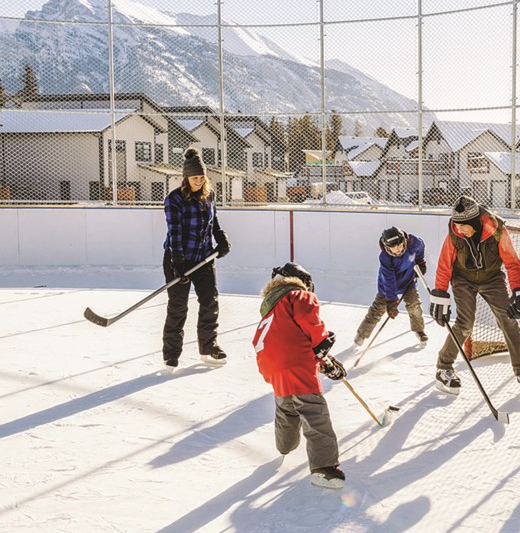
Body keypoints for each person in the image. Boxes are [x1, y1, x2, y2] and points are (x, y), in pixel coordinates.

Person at [252, 262, 348, 489]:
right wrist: (322, 341)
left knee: (287, 405)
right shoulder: (298, 294)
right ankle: (324, 469)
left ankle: (284, 445)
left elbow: (291, 336)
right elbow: (310, 323)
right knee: (314, 412)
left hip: (271, 364)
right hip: (294, 361)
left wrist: (324, 360)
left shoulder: (271, 308)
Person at [429, 195, 520, 396]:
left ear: (474, 222)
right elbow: (445, 265)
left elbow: (512, 262)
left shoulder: (496, 230)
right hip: (463, 279)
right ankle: (444, 367)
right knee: (465, 323)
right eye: (457, 226)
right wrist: (440, 293)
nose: (459, 229)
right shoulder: (454, 233)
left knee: (509, 321)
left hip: (492, 279)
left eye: (463, 226)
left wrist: (518, 290)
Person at [161, 147, 231, 371]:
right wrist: (178, 262)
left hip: (203, 258)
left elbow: (214, 222)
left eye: (201, 177)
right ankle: (171, 355)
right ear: (186, 177)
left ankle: (209, 347)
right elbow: (175, 231)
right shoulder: (174, 199)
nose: (198, 181)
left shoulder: (209, 194)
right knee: (178, 307)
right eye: (194, 178)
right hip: (177, 258)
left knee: (210, 302)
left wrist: (221, 239)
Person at [354, 226, 429, 347]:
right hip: (388, 285)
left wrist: (421, 262)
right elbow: (389, 279)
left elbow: (421, 248)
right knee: (377, 310)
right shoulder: (385, 257)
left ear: (404, 241)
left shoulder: (414, 242)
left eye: (399, 245)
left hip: (408, 280)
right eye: (393, 247)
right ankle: (362, 334)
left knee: (414, 305)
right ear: (387, 247)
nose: (398, 249)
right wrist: (391, 299)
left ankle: (419, 330)